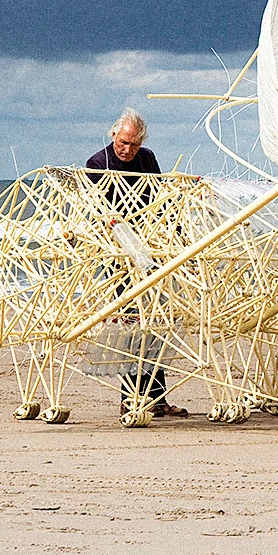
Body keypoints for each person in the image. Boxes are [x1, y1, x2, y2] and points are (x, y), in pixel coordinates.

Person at [86, 109, 188, 418]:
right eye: (123, 142)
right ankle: (129, 399)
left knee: (155, 323)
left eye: (133, 144)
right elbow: (98, 211)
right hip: (117, 253)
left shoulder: (147, 159)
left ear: (141, 142)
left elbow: (160, 201)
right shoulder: (97, 164)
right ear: (113, 134)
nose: (127, 149)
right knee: (130, 324)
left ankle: (157, 398)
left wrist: (177, 235)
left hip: (149, 247)